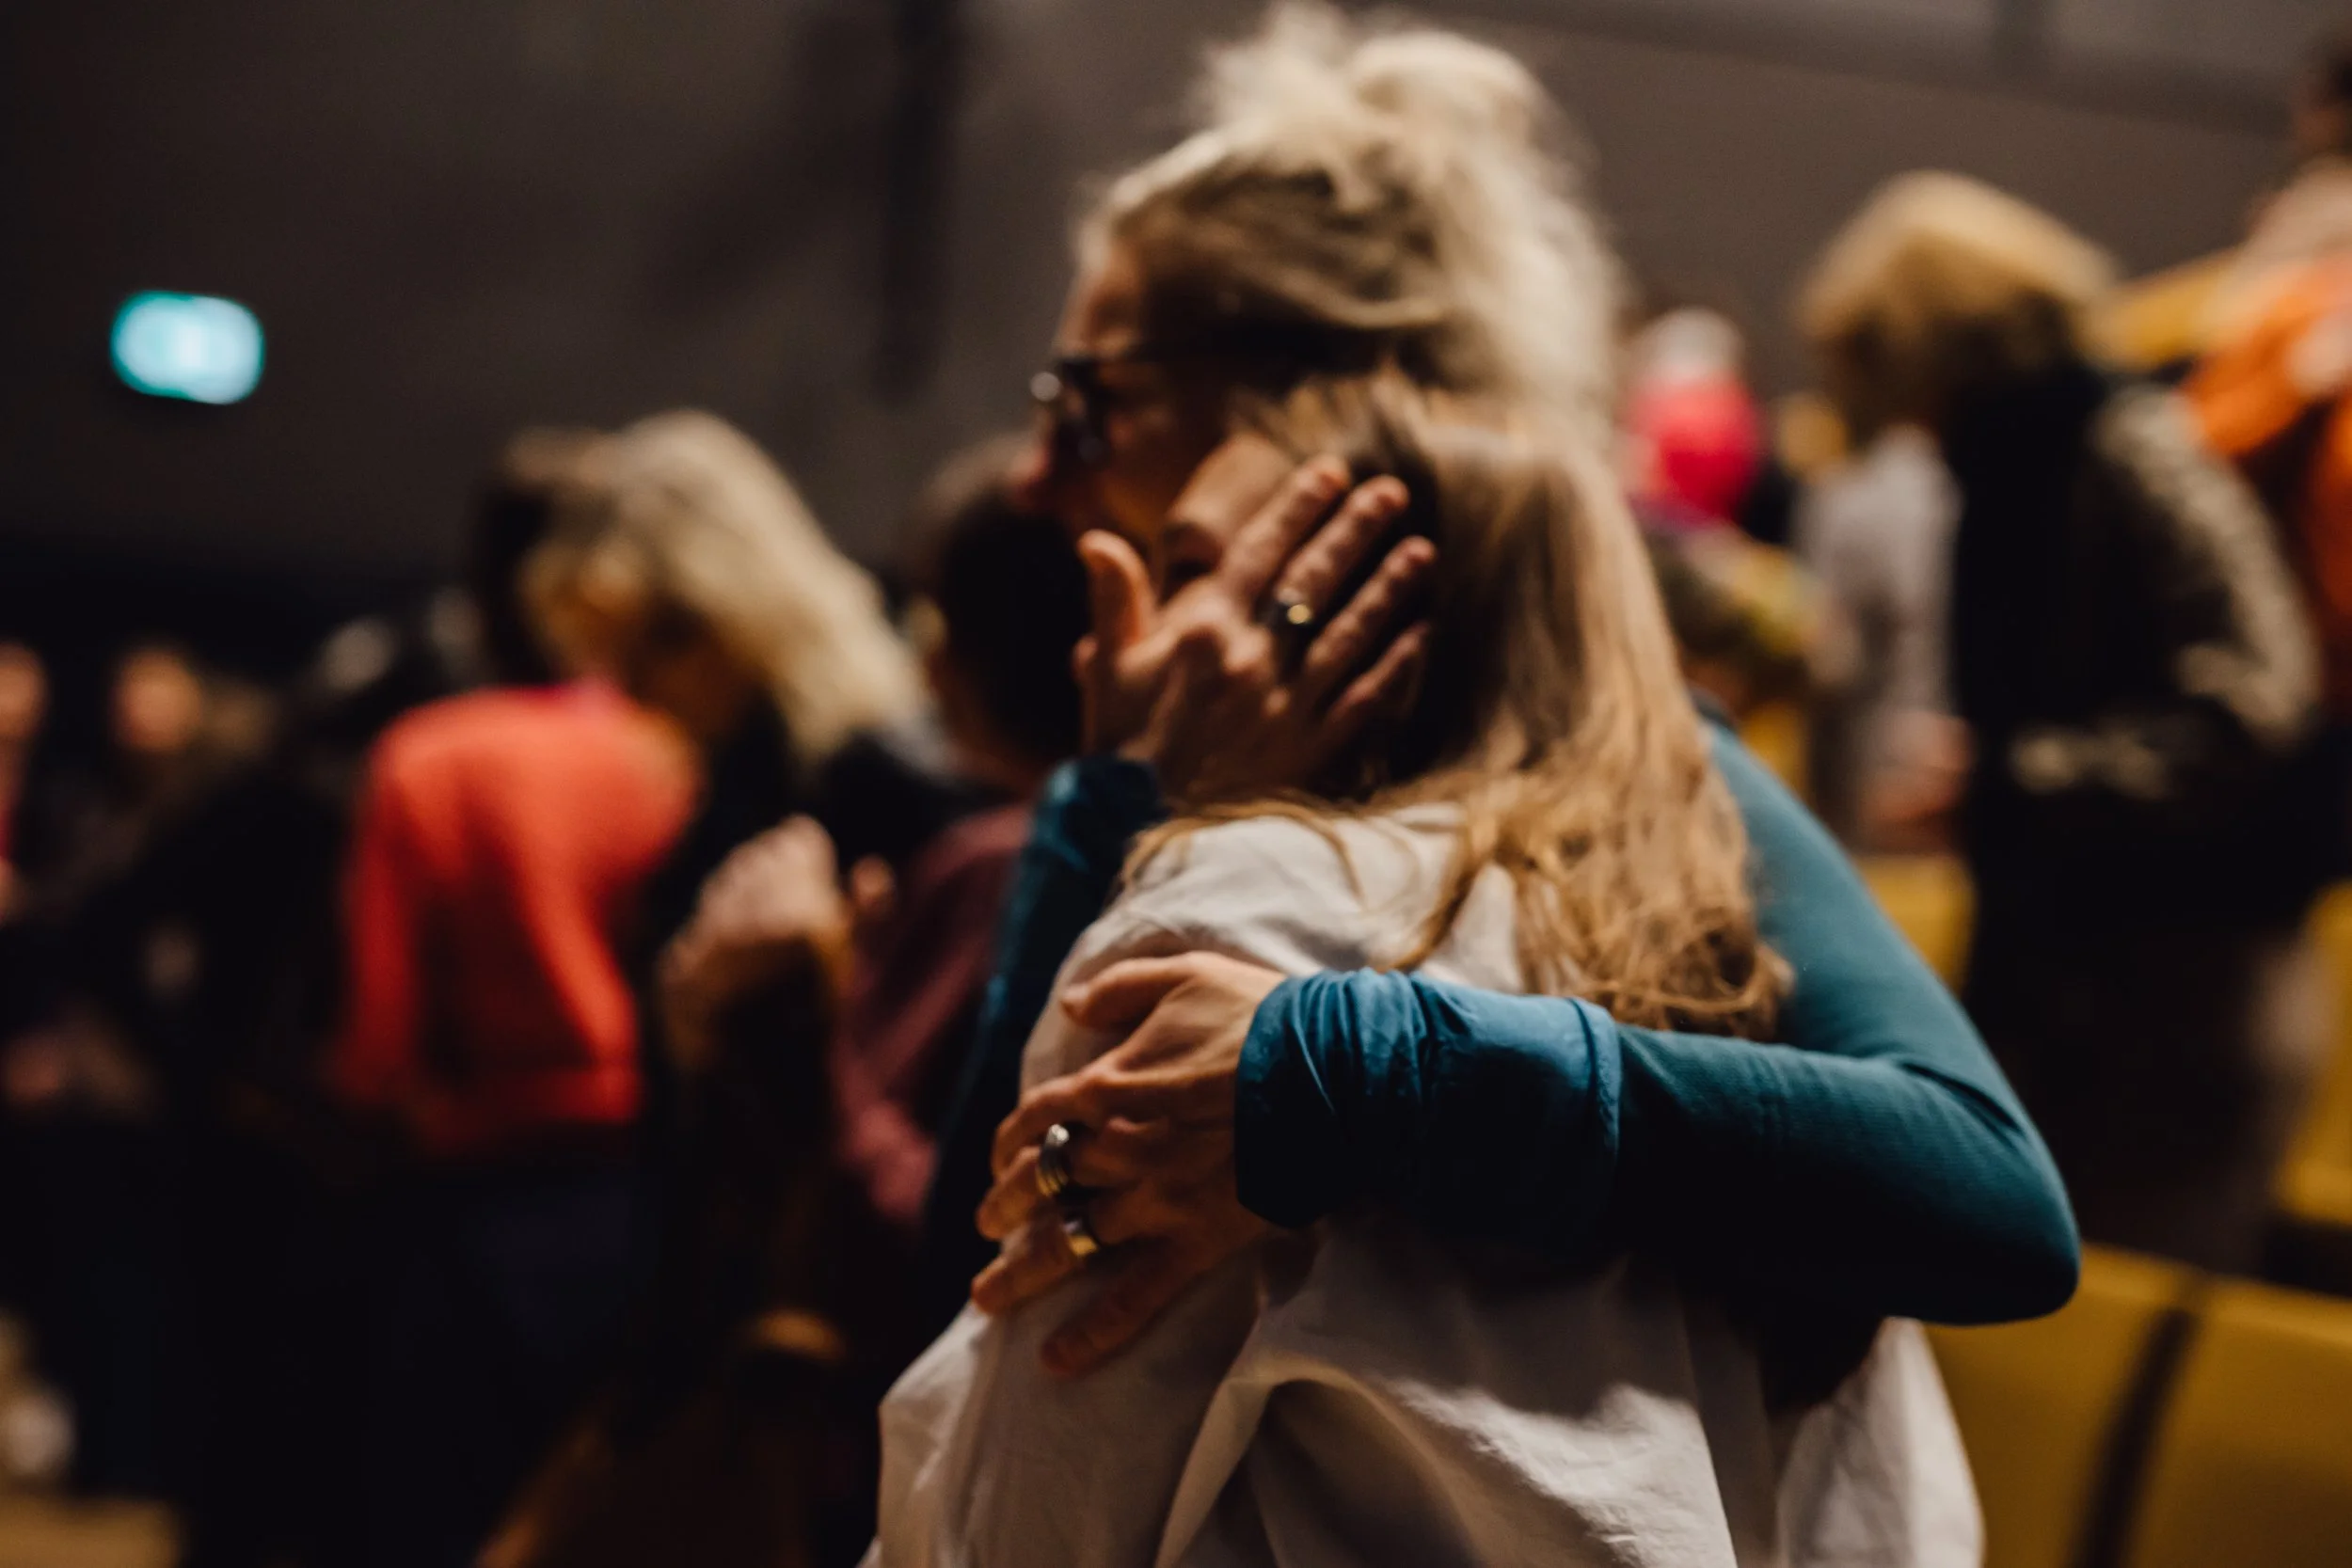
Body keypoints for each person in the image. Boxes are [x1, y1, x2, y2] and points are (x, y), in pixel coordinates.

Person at [882, 7, 2074, 1561]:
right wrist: (1114, 805)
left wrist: (1358, 1067)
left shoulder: (1647, 762)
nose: (1039, 469)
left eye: (1085, 396)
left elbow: (1990, 1188)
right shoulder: (1165, 751)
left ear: (1318, 401)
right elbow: (965, 1296)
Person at [1802, 171, 2326, 1272]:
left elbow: (2253, 703)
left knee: (2095, 1281)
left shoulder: (2127, 448)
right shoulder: (2026, 459)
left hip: (2183, 991)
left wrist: (2019, 779)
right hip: (2089, 986)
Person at [326, 429, 695, 1568]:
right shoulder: (675, 749)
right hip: (662, 1200)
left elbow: (378, 1041)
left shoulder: (429, 757)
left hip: (476, 1202)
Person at [1795, 422, 1965, 850]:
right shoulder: (2007, 498)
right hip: (1963, 774)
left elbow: (1828, 660)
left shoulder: (1845, 502)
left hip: (1876, 770)